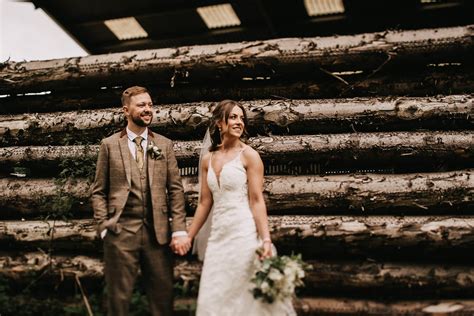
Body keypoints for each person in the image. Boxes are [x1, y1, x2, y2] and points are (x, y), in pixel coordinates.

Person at [182, 100, 296, 315]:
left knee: (244, 295)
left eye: (241, 118)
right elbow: (205, 203)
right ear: (219, 123)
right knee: (215, 292)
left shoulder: (250, 156)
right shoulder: (208, 159)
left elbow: (256, 200)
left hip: (242, 233)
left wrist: (266, 240)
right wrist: (190, 236)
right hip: (218, 237)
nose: (239, 122)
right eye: (233, 117)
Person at [91, 86, 190, 316]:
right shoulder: (109, 145)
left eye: (150, 105)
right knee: (118, 299)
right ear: (126, 110)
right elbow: (98, 191)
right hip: (120, 232)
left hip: (158, 233)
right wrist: (104, 226)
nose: (148, 109)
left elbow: (175, 190)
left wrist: (178, 230)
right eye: (141, 105)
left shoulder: (164, 144)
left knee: (162, 299)